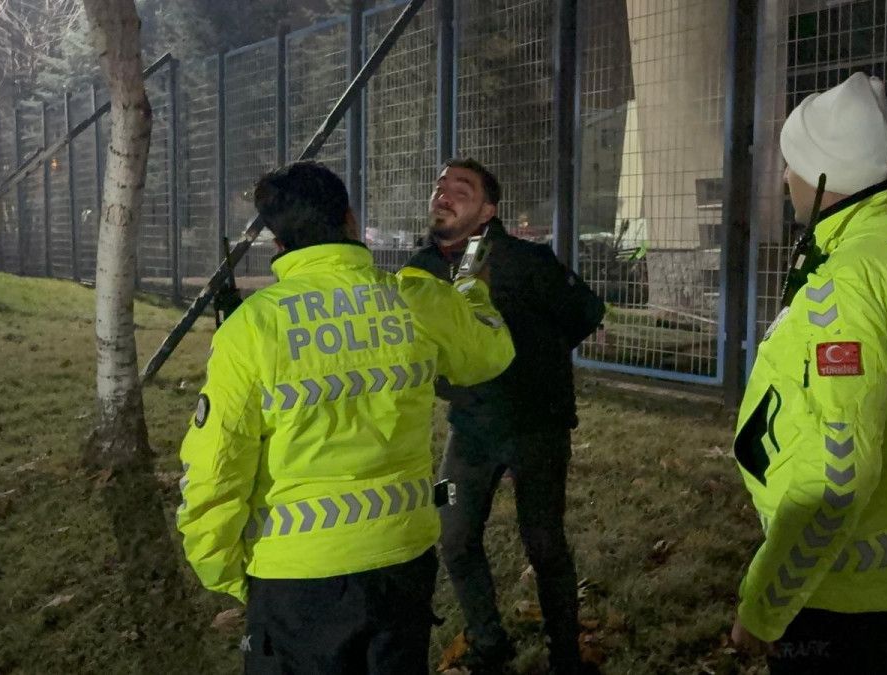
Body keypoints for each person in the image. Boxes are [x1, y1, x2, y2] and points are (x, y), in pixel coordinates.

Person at [176, 161, 515, 674]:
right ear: (350, 221)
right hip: (401, 562)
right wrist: (470, 288)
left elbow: (217, 467)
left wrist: (225, 570)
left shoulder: (253, 328)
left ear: (279, 243)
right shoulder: (415, 299)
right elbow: (490, 352)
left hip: (294, 578)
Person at [728, 73, 887, 673]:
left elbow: (836, 477)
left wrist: (764, 608)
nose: (785, 177)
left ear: (823, 174)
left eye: (792, 164)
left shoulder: (848, 284)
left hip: (838, 598)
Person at [404, 158, 606, 675]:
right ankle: (489, 643)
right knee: (453, 535)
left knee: (544, 543)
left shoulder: (525, 260)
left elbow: (585, 313)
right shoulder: (421, 269)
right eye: (440, 185)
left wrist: (538, 361)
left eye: (462, 188)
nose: (444, 194)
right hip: (468, 428)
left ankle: (566, 655)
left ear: (488, 210)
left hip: (537, 426)